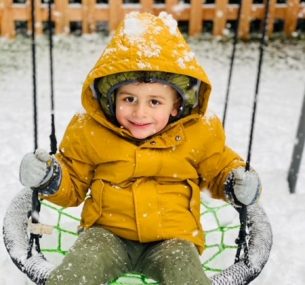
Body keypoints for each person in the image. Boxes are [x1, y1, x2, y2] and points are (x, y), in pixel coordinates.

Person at [19, 11, 261, 285]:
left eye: (155, 102)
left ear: (176, 106)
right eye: (129, 98)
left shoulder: (199, 132)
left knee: (187, 277)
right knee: (72, 277)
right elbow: (73, 183)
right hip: (105, 235)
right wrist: (51, 178)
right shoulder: (90, 131)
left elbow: (219, 169)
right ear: (112, 98)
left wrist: (234, 181)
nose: (139, 112)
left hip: (174, 241)